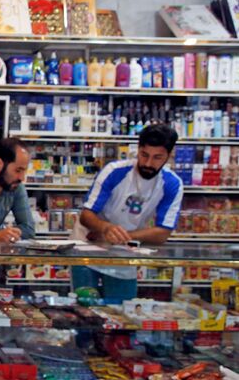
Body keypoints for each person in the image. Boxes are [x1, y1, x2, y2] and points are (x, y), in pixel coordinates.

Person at [71, 123, 183, 302]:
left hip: (125, 254)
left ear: (168, 156)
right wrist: (105, 228)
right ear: (138, 149)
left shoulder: (172, 184)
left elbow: (163, 232)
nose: (148, 163)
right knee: (85, 312)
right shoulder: (114, 172)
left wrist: (124, 235)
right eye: (144, 155)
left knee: (121, 314)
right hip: (87, 247)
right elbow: (86, 215)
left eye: (157, 157)